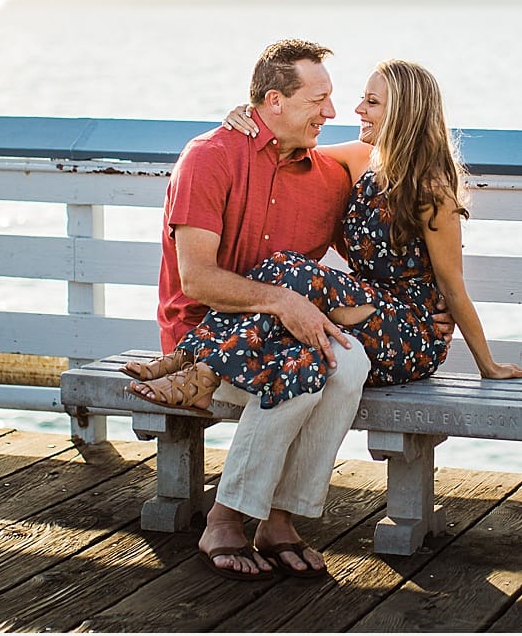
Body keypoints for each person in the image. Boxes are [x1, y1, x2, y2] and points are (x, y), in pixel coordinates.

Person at [128, 60, 522, 566]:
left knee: (293, 281)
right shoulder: (351, 160)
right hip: (341, 321)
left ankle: (201, 369)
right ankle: (259, 521)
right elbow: (285, 150)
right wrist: (244, 117)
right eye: (328, 100)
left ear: (403, 113)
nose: (347, 110)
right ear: (274, 100)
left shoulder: (423, 189)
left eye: (370, 102)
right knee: (329, 361)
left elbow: (452, 283)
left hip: (406, 328)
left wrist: (486, 362)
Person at [136, 38, 368, 582]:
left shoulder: (330, 177)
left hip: (277, 335)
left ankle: (280, 518)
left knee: (350, 360)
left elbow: (389, 155)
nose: (330, 113)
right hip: (202, 347)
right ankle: (226, 518)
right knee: (307, 371)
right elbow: (197, 278)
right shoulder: (211, 156)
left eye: (332, 99)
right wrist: (285, 301)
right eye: (318, 99)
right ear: (274, 100)